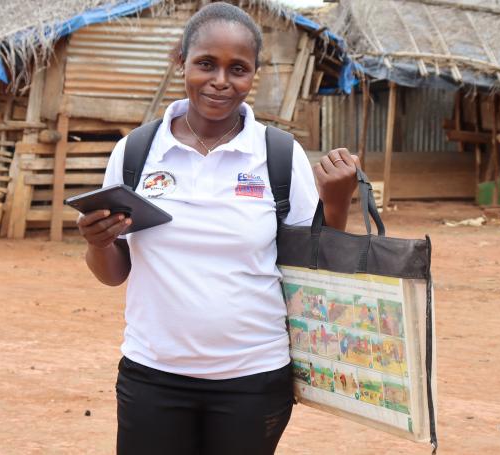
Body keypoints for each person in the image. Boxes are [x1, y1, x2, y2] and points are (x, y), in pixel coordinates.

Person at [77, 3, 359, 454]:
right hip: (153, 375)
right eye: (206, 63)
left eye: (238, 69)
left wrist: (337, 202)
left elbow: (318, 267)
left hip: (252, 380)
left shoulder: (279, 155)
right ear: (181, 62)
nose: (221, 81)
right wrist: (98, 242)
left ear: (254, 75)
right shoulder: (137, 152)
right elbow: (113, 273)